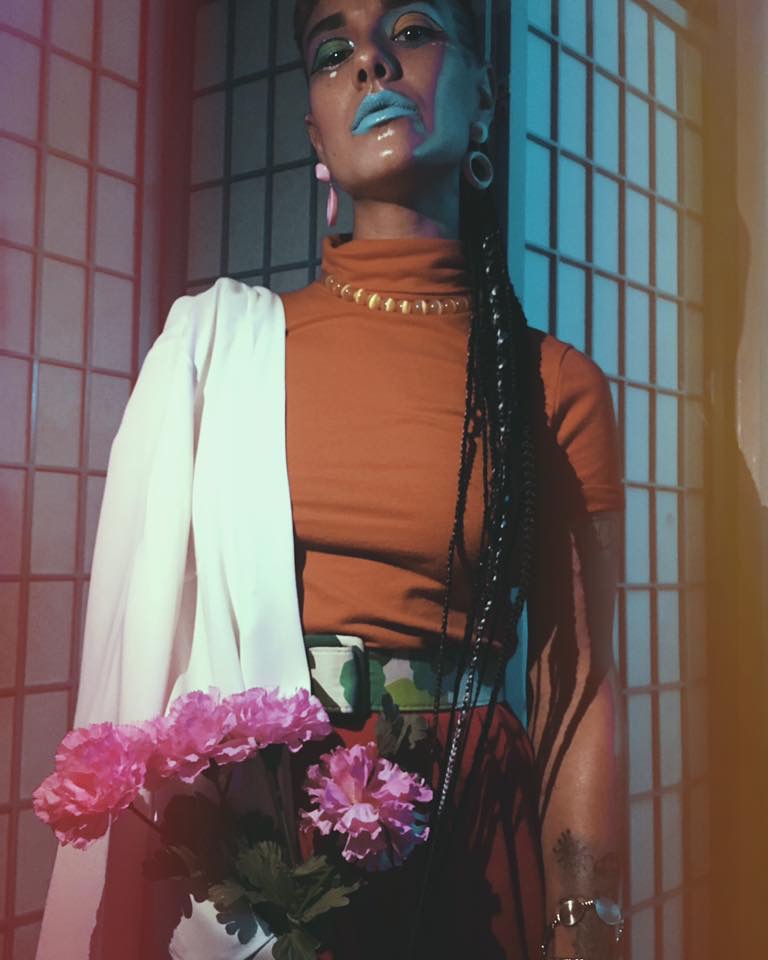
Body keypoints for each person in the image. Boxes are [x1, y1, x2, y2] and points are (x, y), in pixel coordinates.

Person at [37, 1, 625, 958]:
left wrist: (589, 927)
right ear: (314, 132)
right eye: (332, 50)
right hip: (257, 837)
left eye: (413, 30)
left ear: (484, 99)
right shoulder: (218, 354)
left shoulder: (552, 384)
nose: (371, 63)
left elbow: (581, 689)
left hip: (469, 839)